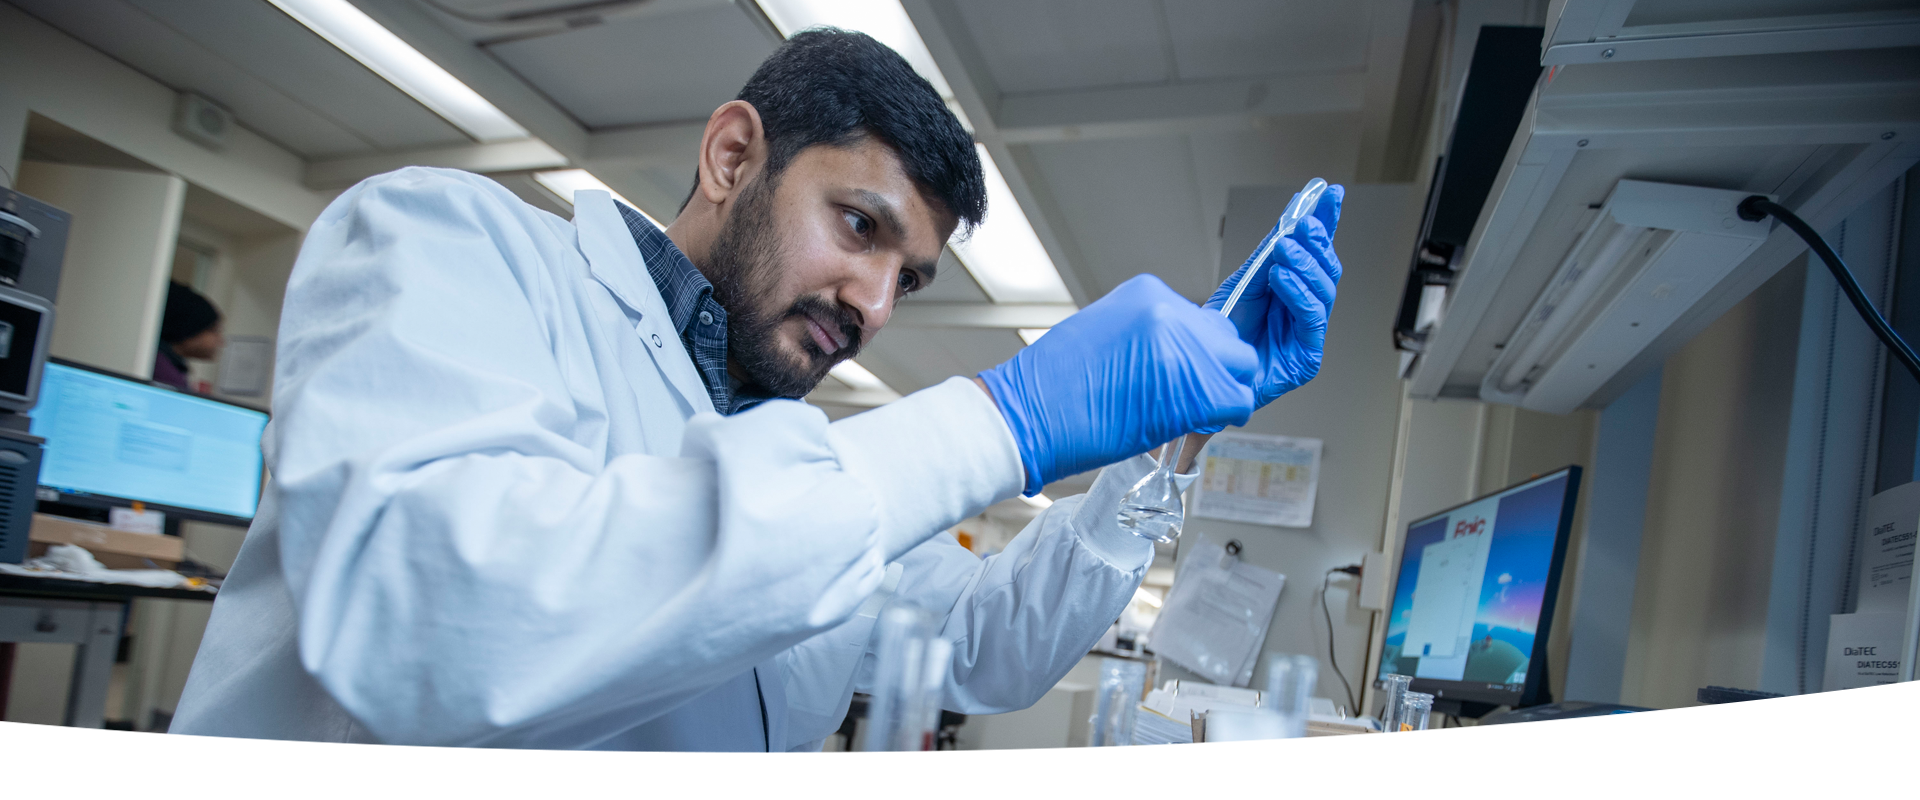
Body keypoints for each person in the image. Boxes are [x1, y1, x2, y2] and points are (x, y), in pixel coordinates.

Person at [166, 29, 1343, 751]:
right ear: (734, 156)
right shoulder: (448, 241)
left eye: (910, 276)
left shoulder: (799, 461)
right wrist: (1006, 414)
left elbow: (992, 642)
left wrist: (1166, 443)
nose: (877, 302)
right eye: (859, 224)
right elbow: (427, 623)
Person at [154, 280, 222, 391]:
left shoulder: (169, 365)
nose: (220, 341)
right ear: (189, 330)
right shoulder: (164, 374)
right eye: (214, 331)